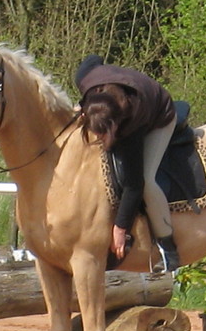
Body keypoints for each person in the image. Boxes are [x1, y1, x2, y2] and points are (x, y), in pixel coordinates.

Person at [75, 54, 180, 272]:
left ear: (114, 127)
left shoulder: (132, 122)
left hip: (160, 112)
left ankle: (167, 245)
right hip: (116, 99)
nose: (100, 141)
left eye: (103, 136)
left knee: (147, 180)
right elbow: (93, 59)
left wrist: (120, 228)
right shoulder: (84, 79)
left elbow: (134, 186)